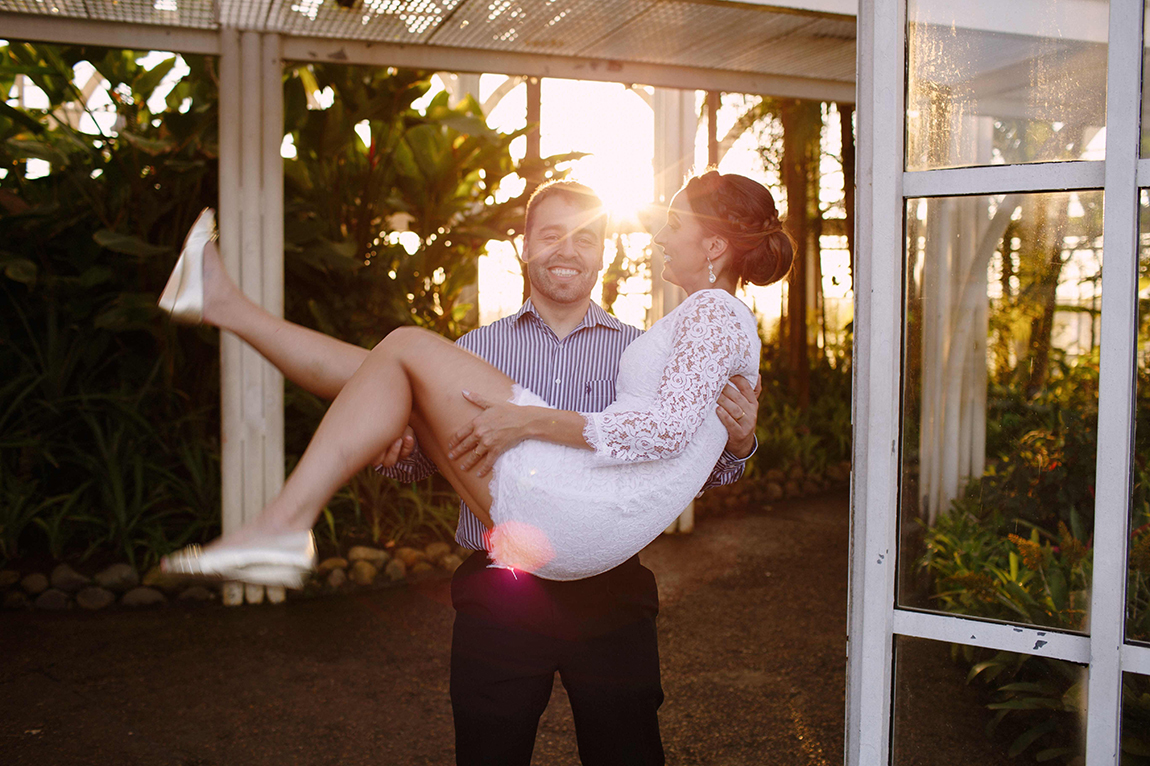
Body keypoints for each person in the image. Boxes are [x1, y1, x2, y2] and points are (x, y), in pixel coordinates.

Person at [161, 172, 789, 762]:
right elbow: (423, 462)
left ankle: (236, 346)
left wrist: (738, 444)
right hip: (502, 590)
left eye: (585, 237)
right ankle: (226, 311)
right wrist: (398, 448)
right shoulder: (475, 350)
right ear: (524, 246)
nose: (567, 250)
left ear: (602, 256)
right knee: (387, 363)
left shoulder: (643, 342)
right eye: (550, 234)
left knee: (400, 349)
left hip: (607, 590)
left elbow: (673, 459)